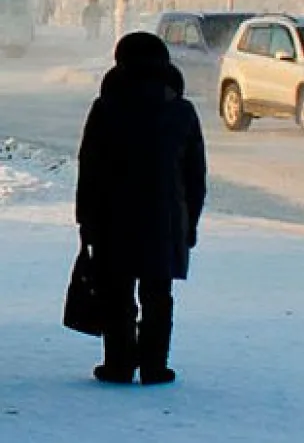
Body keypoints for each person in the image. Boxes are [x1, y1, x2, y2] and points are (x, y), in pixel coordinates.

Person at [75, 31, 207, 385]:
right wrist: (190, 222)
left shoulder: (105, 108)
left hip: (111, 218)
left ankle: (118, 365)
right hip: (165, 219)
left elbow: (89, 168)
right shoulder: (181, 111)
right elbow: (195, 175)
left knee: (117, 294)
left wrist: (85, 221)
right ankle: (154, 367)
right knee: (158, 295)